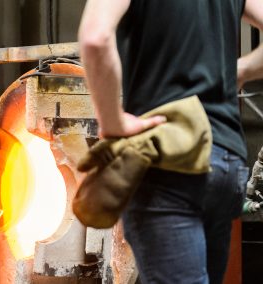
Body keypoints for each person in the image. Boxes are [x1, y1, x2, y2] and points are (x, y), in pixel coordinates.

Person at [78, 0, 263, 283]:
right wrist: (240, 71)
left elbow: (95, 37)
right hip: (226, 158)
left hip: (169, 157)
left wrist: (112, 121)